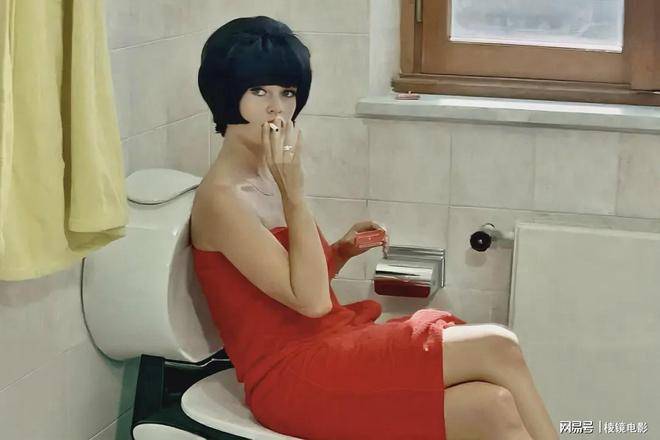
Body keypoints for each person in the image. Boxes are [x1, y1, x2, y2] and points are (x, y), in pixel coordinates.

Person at [191, 16, 558, 440]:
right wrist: (294, 191)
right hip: (292, 375)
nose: (277, 109)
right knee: (498, 345)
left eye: (287, 92)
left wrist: (339, 252)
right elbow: (311, 302)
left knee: (493, 407)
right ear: (226, 91)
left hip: (329, 343)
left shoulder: (267, 177)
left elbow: (287, 282)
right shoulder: (223, 199)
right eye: (259, 91)